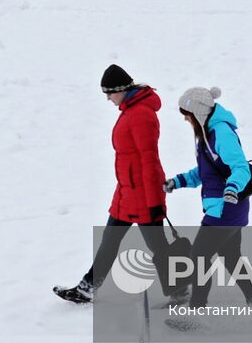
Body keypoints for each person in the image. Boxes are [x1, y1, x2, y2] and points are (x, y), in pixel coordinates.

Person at [54, 64, 186, 304]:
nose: (108, 99)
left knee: (159, 247)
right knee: (110, 240)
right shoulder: (129, 110)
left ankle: (181, 294)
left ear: (122, 89)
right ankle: (86, 288)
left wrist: (155, 203)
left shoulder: (141, 115)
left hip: (144, 196)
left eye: (109, 93)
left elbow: (149, 161)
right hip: (126, 193)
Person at [164, 86, 252, 308]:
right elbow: (205, 172)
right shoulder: (208, 133)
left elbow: (241, 168)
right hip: (226, 208)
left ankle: (197, 308)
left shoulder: (222, 133)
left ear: (198, 113)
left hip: (225, 207)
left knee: (199, 257)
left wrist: (232, 188)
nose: (186, 120)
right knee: (230, 255)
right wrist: (177, 182)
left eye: (187, 116)